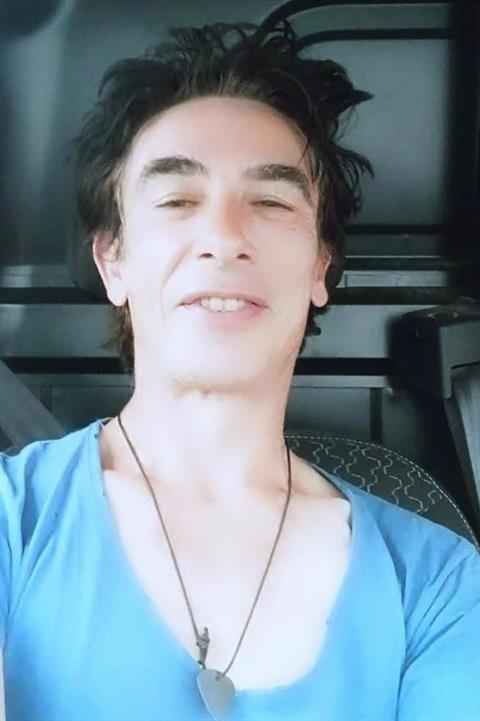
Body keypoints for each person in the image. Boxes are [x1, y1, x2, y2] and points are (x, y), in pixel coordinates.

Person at [1, 19, 479, 721]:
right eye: (176, 200)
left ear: (319, 267)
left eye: (271, 201)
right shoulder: (13, 522)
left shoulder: (439, 583)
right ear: (113, 262)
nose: (224, 236)